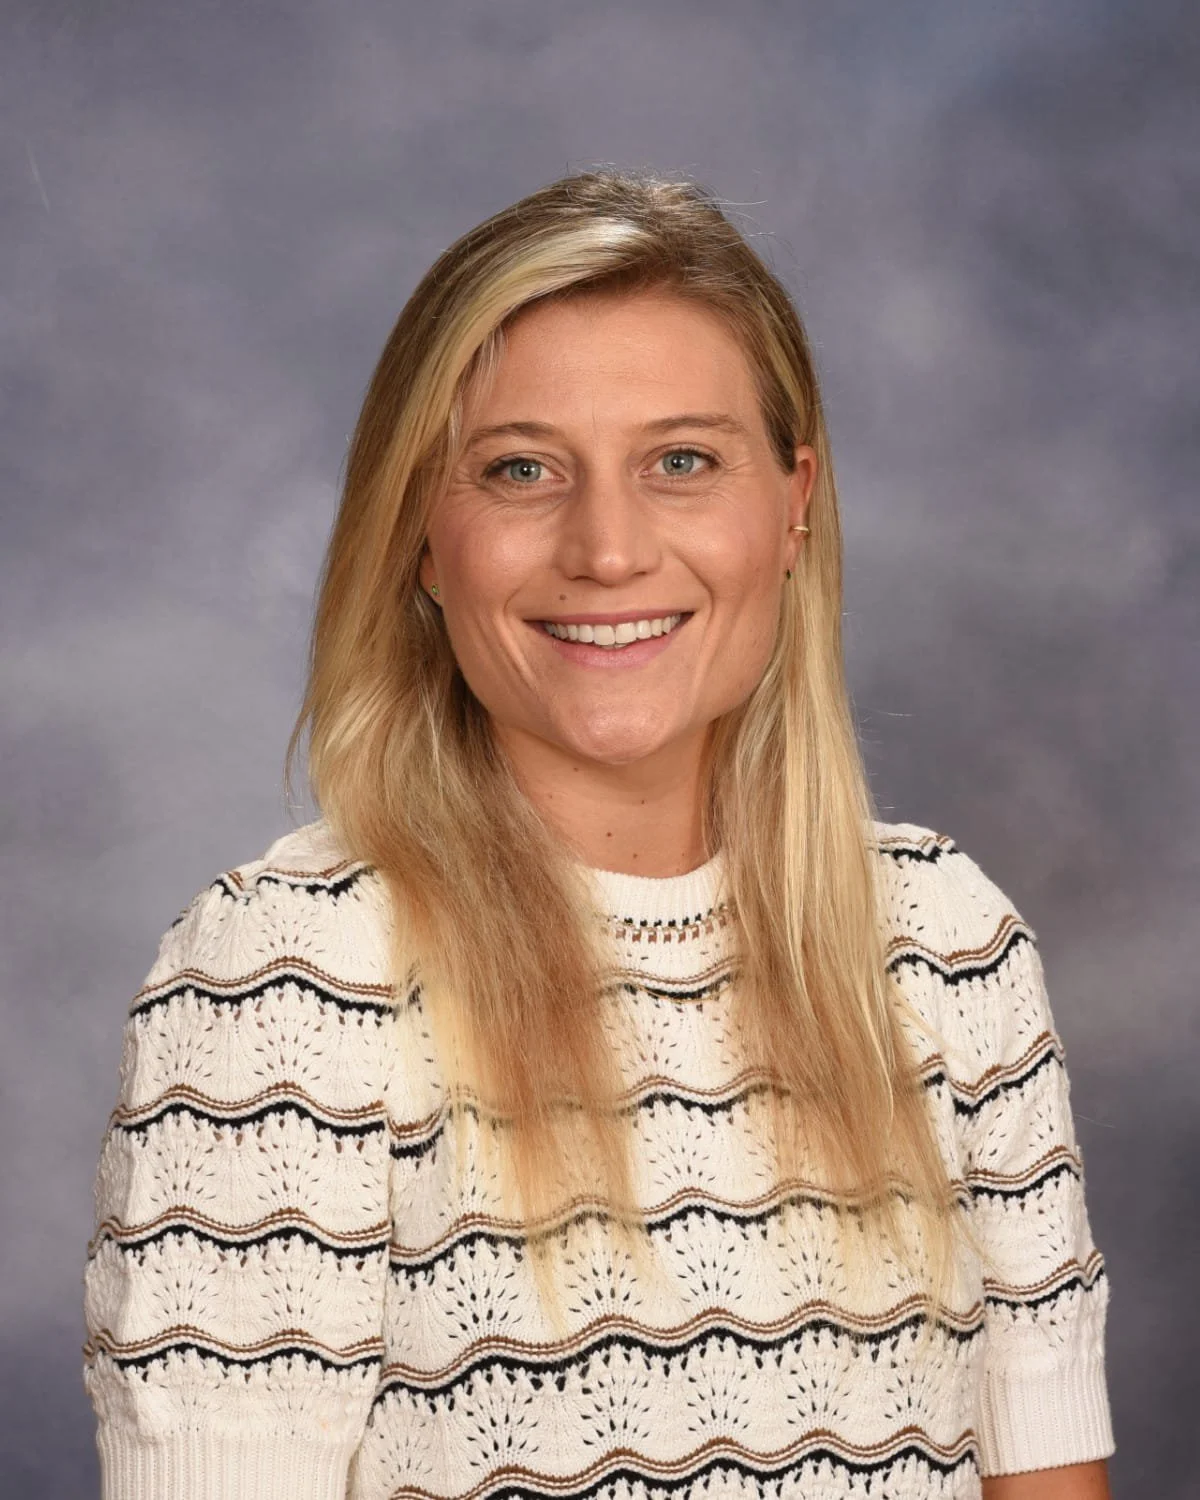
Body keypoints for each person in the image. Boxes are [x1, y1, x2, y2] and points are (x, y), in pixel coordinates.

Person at [82, 170, 1115, 1500]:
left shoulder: (947, 941)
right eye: (521, 470)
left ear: (793, 505)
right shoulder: (287, 979)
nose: (609, 551)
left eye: (681, 462)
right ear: (421, 536)